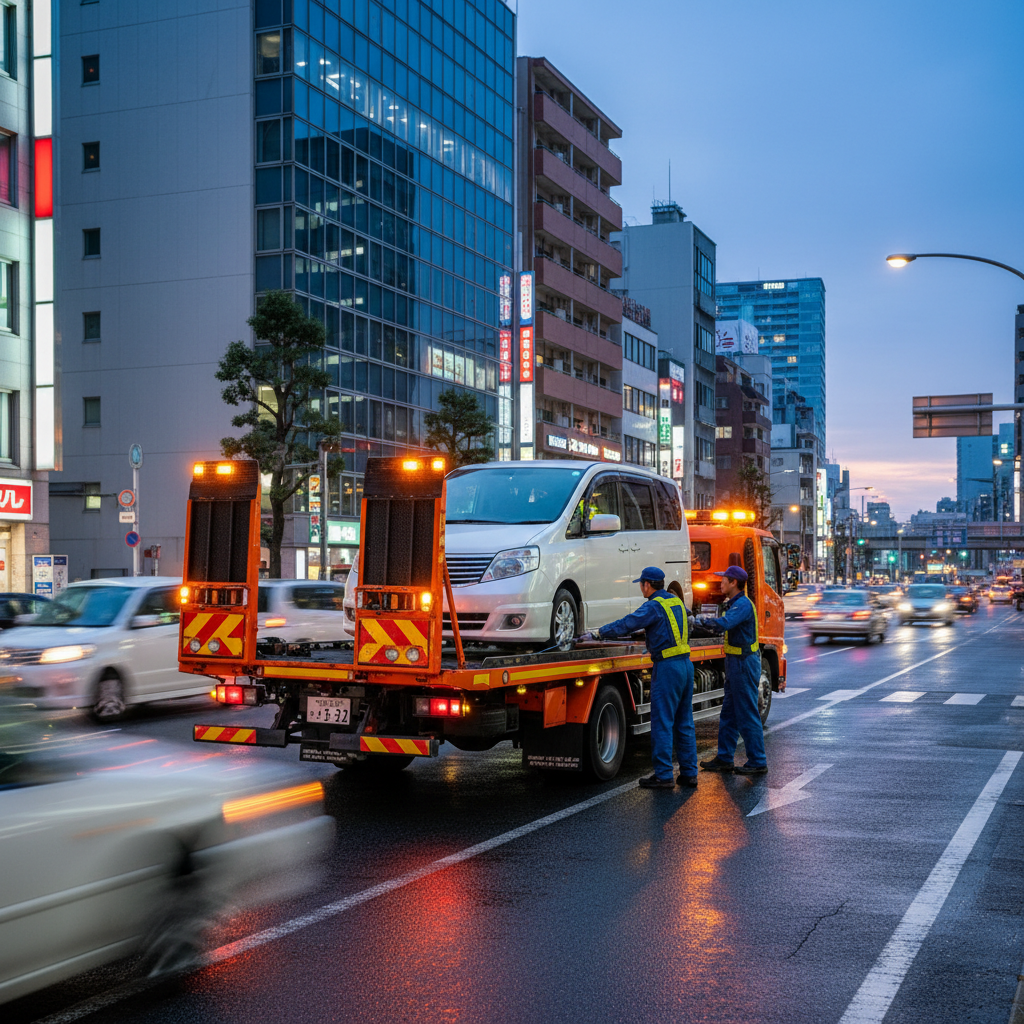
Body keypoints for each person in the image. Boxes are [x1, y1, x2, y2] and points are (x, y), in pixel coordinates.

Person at [577, 567, 697, 789]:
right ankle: (689, 773)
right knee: (684, 721)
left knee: (662, 721)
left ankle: (663, 776)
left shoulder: (653, 605)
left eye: (641, 584)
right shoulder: (676, 602)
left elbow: (628, 623)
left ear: (647, 585)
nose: (641, 587)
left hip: (667, 667)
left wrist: (598, 633)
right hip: (685, 665)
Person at [694, 565, 768, 776]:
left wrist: (699, 622)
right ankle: (725, 758)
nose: (721, 582)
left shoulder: (742, 605)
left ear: (734, 582)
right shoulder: (735, 603)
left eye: (724, 579)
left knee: (746, 712)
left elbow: (724, 624)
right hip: (736, 662)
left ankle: (758, 760)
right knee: (728, 713)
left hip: (743, 663)